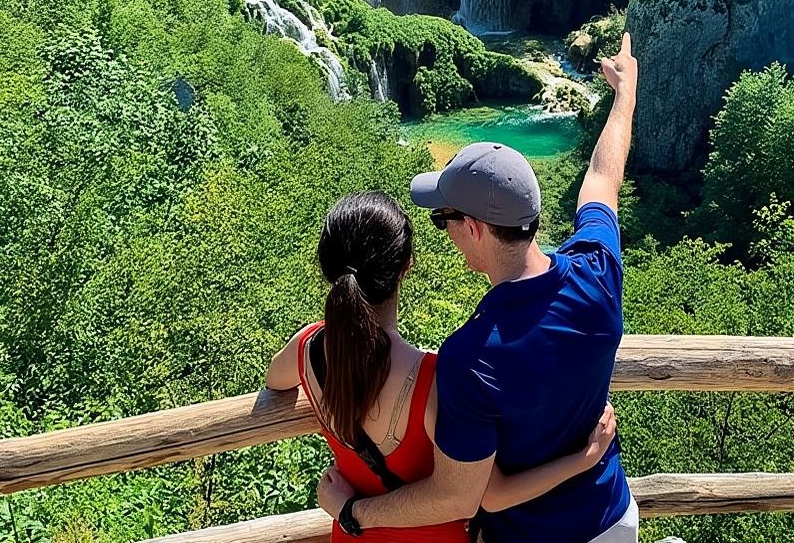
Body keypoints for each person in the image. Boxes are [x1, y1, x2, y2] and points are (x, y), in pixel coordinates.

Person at [318, 33, 640, 542]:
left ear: (473, 228)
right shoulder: (598, 273)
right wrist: (625, 96)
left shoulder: (469, 359)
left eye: (443, 219)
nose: (443, 232)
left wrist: (353, 512)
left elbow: (470, 496)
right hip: (612, 519)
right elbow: (603, 177)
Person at [265, 191, 620, 543]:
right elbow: (481, 496)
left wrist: (347, 509)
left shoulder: (306, 348)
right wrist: (583, 458)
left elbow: (274, 381)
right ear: (406, 267)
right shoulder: (434, 378)